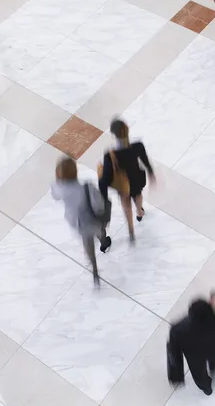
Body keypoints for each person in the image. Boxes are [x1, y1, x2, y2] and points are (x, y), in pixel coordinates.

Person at [52, 157, 111, 285]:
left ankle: (94, 268)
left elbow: (55, 195)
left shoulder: (60, 189)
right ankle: (103, 241)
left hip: (78, 223)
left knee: (87, 243)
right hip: (93, 220)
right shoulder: (87, 187)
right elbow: (99, 206)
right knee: (99, 230)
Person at [167, 292, 215, 395]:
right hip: (214, 349)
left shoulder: (179, 329)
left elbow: (173, 351)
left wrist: (176, 375)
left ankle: (206, 388)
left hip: (194, 355)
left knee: (199, 374)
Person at [99, 118, 155, 243]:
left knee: (126, 204)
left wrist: (103, 192)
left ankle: (131, 230)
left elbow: (106, 178)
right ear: (127, 130)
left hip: (122, 184)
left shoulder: (110, 154)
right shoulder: (138, 146)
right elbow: (146, 162)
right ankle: (140, 212)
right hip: (136, 179)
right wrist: (151, 174)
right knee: (138, 195)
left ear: (113, 134)